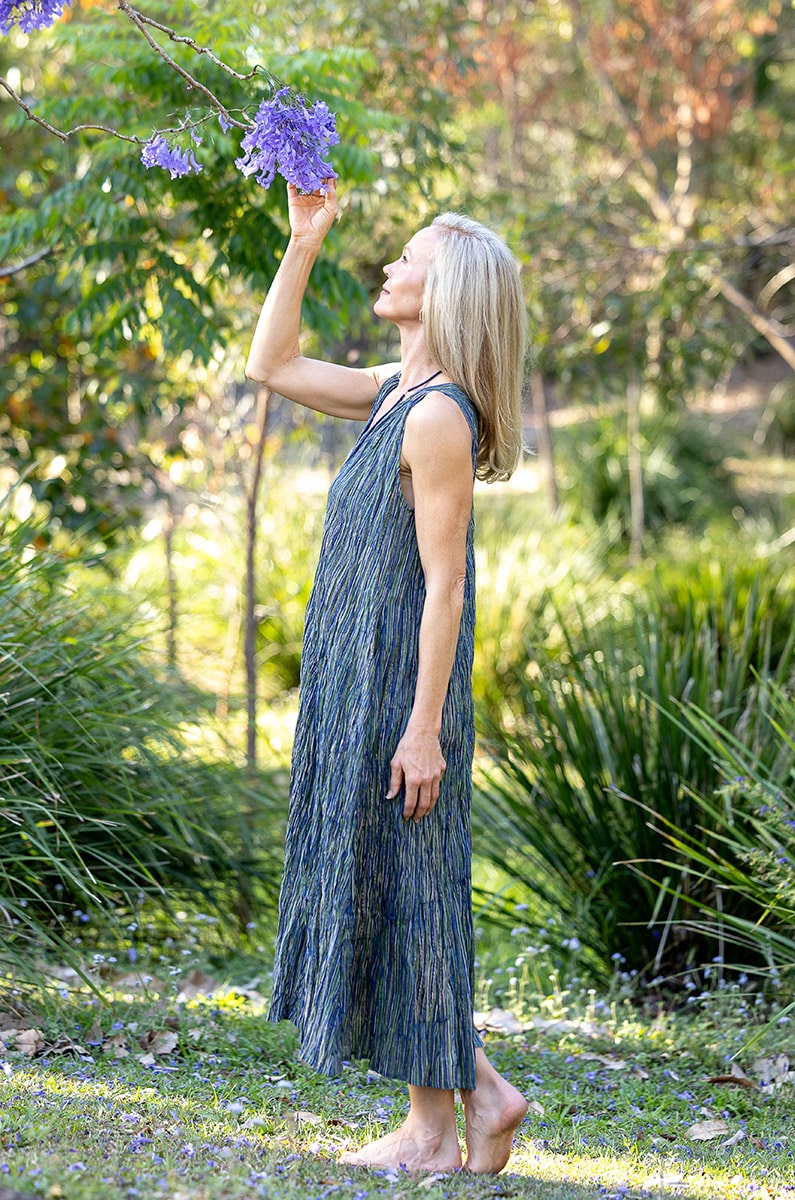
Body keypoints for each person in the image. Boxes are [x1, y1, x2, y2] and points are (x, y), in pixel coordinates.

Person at [245, 179, 529, 1174]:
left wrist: (422, 730)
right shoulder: (387, 393)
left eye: (406, 257)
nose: (390, 267)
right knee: (392, 890)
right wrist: (302, 239)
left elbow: (446, 588)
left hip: (401, 691)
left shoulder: (436, 418)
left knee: (413, 892)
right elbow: (269, 361)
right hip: (356, 679)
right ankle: (477, 1099)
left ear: (442, 287)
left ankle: (437, 1129)